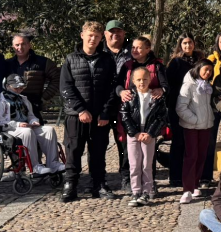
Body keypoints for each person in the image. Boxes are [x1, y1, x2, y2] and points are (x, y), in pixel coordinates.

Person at [60, 21, 119, 202]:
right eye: (90, 35)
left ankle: (98, 184)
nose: (92, 39)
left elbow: (113, 87)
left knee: (99, 151)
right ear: (82, 35)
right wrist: (80, 110)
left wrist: (105, 112)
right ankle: (70, 184)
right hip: (76, 115)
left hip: (99, 115)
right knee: (74, 150)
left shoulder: (107, 60)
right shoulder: (71, 59)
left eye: (96, 36)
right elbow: (65, 87)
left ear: (102, 38)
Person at [113, 36, 169, 195]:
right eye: (133, 48)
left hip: (149, 117)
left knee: (147, 156)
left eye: (138, 47)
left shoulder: (157, 66)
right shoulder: (127, 66)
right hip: (130, 115)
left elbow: (166, 86)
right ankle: (129, 181)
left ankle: (149, 184)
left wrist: (162, 90)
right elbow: (117, 84)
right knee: (128, 152)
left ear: (147, 49)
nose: (134, 50)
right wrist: (121, 92)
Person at [0, 75, 63, 177]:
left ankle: (53, 163)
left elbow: (30, 115)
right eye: (16, 88)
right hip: (8, 129)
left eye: (21, 88)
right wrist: (18, 124)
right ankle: (35, 166)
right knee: (27, 132)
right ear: (7, 86)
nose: (19, 90)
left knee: (49, 130)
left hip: (25, 126)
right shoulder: (1, 100)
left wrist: (34, 121)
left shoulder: (23, 99)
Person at [120, 67, 168, 207]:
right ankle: (136, 192)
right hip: (133, 134)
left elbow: (161, 117)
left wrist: (151, 133)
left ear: (150, 79)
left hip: (148, 134)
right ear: (133, 81)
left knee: (147, 164)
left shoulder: (156, 97)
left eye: (145, 79)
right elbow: (124, 115)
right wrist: (135, 133)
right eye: (139, 79)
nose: (142, 82)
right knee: (134, 164)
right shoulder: (129, 96)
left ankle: (146, 191)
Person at [165, 33, 202, 187]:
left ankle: (193, 176)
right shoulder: (175, 63)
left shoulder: (199, 61)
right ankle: (175, 176)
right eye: (184, 43)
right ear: (180, 45)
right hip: (179, 106)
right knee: (179, 142)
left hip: (197, 106)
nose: (188, 46)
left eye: (190, 43)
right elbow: (169, 85)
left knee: (194, 143)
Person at [177, 60, 217, 201]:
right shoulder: (188, 85)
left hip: (205, 127)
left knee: (201, 156)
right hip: (191, 127)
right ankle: (187, 189)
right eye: (205, 69)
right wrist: (194, 120)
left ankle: (195, 185)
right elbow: (181, 107)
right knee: (191, 156)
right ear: (198, 68)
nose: (208, 73)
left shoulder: (207, 86)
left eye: (210, 71)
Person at [199, 33, 221, 191]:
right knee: (210, 140)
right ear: (217, 44)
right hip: (212, 105)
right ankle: (205, 176)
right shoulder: (212, 59)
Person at [104, 20, 133, 192]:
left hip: (125, 105)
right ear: (106, 34)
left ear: (124, 34)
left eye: (119, 31)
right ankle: (98, 178)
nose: (115, 34)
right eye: (111, 31)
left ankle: (126, 177)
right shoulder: (98, 53)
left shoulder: (132, 52)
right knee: (98, 144)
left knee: (125, 144)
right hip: (102, 105)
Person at [6, 34, 60, 124]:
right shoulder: (7, 64)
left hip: (34, 106)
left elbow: (57, 79)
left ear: (29, 45)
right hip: (12, 108)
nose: (20, 47)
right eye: (17, 45)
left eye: (23, 44)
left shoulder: (43, 62)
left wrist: (44, 98)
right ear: (13, 47)